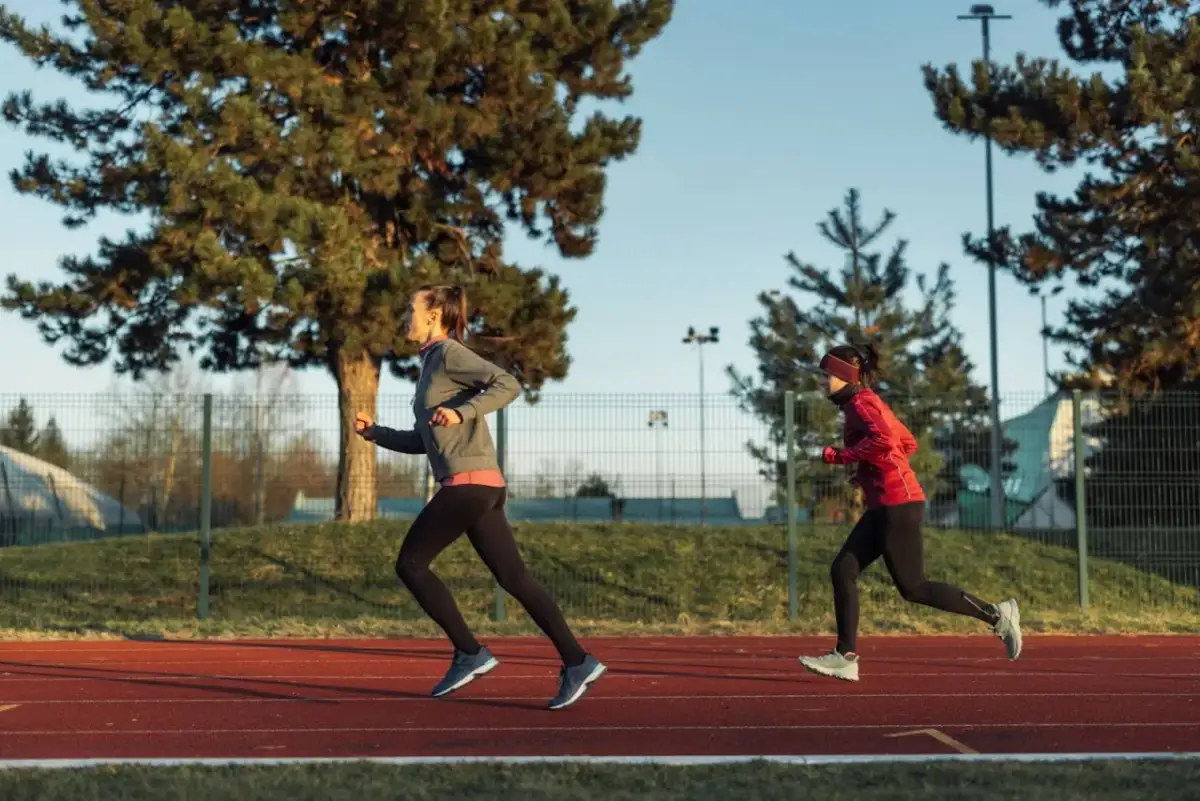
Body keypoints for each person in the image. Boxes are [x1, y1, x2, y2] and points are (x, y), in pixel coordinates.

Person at [354, 283, 605, 710]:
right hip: (482, 485)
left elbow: (507, 384)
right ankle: (577, 661)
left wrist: (461, 411)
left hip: (469, 485)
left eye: (411, 310)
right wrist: (375, 433)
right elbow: (425, 441)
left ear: (433, 315)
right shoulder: (432, 364)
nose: (405, 318)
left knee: (411, 564)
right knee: (514, 579)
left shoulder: (450, 354)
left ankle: (470, 652)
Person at [795, 343, 1022, 682]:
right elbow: (907, 442)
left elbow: (886, 442)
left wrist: (841, 456)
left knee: (914, 587)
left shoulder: (862, 403)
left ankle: (997, 615)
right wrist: (869, 471)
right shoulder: (866, 403)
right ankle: (846, 656)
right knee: (843, 569)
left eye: (827, 375)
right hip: (886, 503)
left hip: (897, 504)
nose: (823, 381)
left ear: (844, 376)